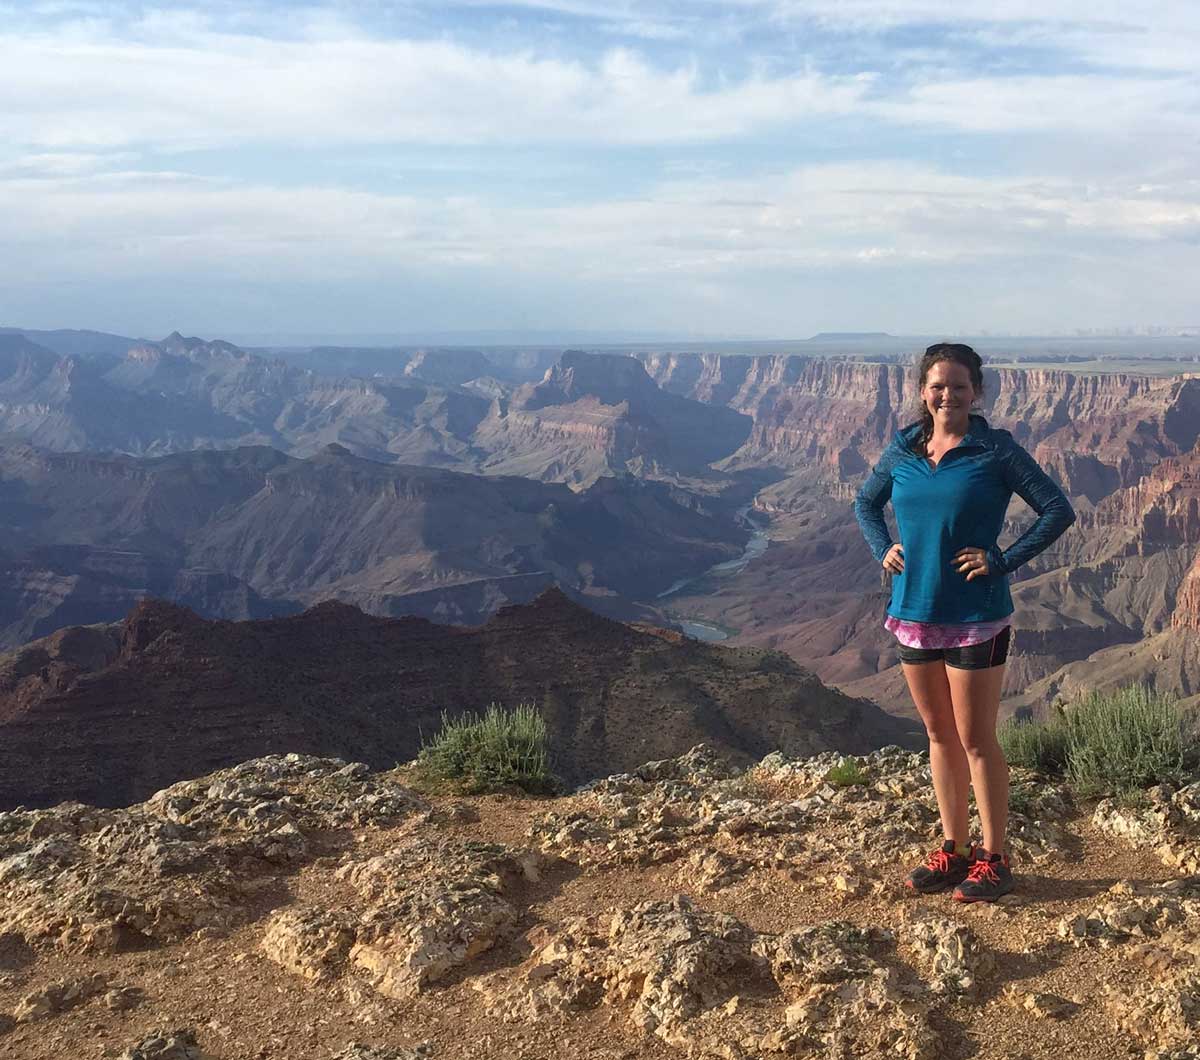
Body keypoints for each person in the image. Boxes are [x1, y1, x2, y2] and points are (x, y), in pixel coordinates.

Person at [853, 343, 1075, 902]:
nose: (946, 395)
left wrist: (1000, 559)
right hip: (914, 610)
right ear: (922, 391)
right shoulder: (905, 447)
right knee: (938, 735)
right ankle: (953, 850)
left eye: (957, 386)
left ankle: (994, 858)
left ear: (976, 391)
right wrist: (884, 546)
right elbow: (865, 502)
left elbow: (1057, 508)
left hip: (977, 616)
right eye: (936, 386)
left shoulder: (995, 450)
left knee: (976, 739)